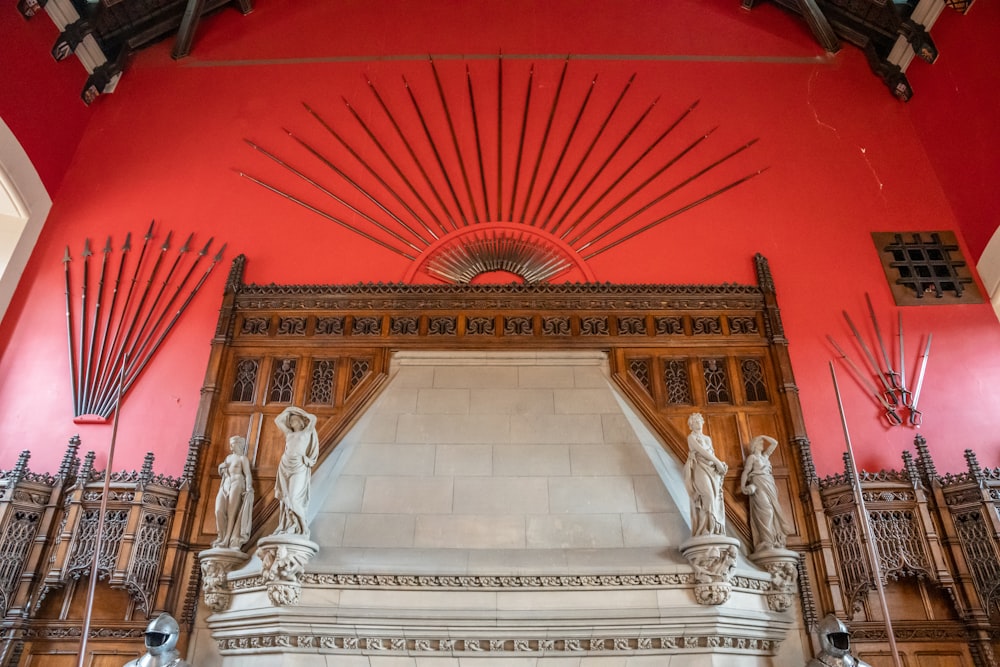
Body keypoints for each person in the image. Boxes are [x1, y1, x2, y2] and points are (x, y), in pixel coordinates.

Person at [740, 434, 792, 552]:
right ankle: (766, 540)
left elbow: (774, 443)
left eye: (762, 443)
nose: (763, 444)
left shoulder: (765, 457)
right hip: (758, 485)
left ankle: (774, 540)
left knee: (773, 511)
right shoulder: (752, 458)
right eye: (760, 443)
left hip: (769, 484)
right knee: (765, 510)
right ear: (755, 445)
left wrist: (763, 436)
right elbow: (746, 472)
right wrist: (743, 486)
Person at [274, 406, 319, 537]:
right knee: (286, 498)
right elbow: (278, 420)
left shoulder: (306, 433)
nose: (291, 422)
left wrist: (300, 413)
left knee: (293, 498)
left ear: (300, 421)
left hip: (299, 465)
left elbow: (313, 418)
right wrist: (290, 410)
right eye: (290, 421)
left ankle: (304, 528)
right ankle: (290, 525)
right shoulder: (289, 434)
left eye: (294, 420)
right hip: (285, 465)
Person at [684, 412, 728, 537]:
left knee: (713, 498)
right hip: (699, 468)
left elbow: (712, 455)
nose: (698, 423)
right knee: (707, 495)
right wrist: (717, 462)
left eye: (699, 421)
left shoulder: (708, 439)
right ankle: (705, 528)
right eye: (695, 422)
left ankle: (713, 529)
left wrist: (720, 465)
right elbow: (701, 451)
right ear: (691, 426)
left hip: (712, 470)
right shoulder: (691, 438)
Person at [212, 435, 254, 550]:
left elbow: (248, 474)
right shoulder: (228, 458)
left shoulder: (242, 459)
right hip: (225, 484)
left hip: (237, 483)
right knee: (219, 510)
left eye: (233, 443)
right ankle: (220, 536)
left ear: (239, 444)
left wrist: (249, 486)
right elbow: (223, 472)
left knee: (232, 512)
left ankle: (227, 539)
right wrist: (221, 468)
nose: (231, 446)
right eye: (231, 444)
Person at [123, 612, 191, 667]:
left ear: (173, 637)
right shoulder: (131, 665)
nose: (153, 641)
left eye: (158, 637)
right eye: (151, 636)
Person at [807, 614, 872, 667]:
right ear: (824, 638)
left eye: (842, 638)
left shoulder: (860, 665)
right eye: (836, 638)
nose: (841, 642)